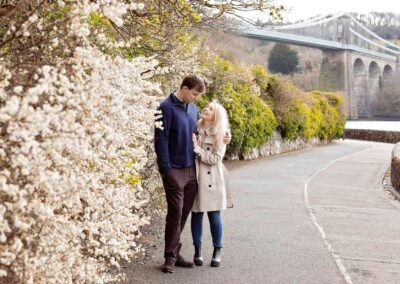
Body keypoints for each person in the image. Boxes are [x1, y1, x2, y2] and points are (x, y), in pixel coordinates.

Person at [154, 75, 205, 273]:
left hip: (191, 169)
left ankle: (175, 252)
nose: (195, 98)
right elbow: (160, 140)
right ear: (184, 88)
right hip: (174, 169)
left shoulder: (192, 108)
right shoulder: (163, 108)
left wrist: (225, 135)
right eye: (193, 94)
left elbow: (202, 131)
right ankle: (169, 257)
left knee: (183, 213)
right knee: (175, 212)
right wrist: (166, 169)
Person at [191, 100, 232, 268]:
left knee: (214, 216)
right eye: (207, 107)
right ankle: (197, 250)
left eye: (210, 109)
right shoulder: (196, 127)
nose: (206, 109)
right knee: (197, 214)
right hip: (196, 175)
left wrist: (197, 148)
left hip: (214, 178)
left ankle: (217, 251)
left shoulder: (222, 134)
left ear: (216, 116)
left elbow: (215, 159)